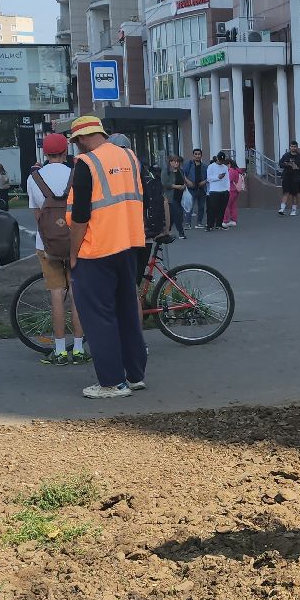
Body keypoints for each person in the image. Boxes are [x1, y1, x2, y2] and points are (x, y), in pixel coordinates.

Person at [65, 115, 148, 399]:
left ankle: (112, 383)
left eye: (76, 142)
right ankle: (134, 375)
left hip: (96, 250)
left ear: (81, 138)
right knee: (127, 313)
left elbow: (80, 217)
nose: (76, 148)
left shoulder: (86, 164)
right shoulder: (130, 157)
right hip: (129, 245)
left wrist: (72, 254)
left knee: (99, 318)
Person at [26, 132, 87, 366]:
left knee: (56, 295)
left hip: (47, 245)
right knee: (77, 295)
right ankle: (79, 350)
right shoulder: (76, 174)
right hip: (75, 245)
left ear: (45, 153)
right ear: (65, 152)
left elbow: (37, 216)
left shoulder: (34, 178)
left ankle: (60, 351)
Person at [112, 133, 167, 288]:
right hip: (148, 233)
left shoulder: (115, 170)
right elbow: (162, 200)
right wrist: (164, 227)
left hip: (127, 235)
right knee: (135, 279)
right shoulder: (142, 169)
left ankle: (135, 310)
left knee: (126, 283)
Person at [278, 141, 300, 215]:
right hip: (286, 176)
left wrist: (297, 168)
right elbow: (280, 164)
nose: (293, 148)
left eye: (294, 146)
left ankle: (293, 210)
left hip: (296, 178)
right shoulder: (286, 155)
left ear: (297, 147)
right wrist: (286, 164)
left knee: (294, 194)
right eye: (292, 146)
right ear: (290, 147)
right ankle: (282, 209)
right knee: (285, 192)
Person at [205, 152, 232, 230]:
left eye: (222, 161)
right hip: (214, 191)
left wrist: (228, 189)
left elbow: (227, 179)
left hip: (224, 190)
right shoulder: (211, 166)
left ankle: (219, 224)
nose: (221, 162)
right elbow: (209, 178)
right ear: (217, 158)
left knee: (222, 208)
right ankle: (210, 225)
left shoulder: (225, 167)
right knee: (212, 209)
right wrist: (218, 177)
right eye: (220, 160)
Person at [165, 154, 190, 239]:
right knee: (178, 214)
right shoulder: (166, 171)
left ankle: (166, 232)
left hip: (180, 196)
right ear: (170, 162)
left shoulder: (180, 171)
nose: (176, 163)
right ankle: (181, 233)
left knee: (172, 216)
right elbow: (165, 183)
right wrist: (177, 186)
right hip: (170, 197)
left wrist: (184, 185)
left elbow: (183, 180)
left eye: (178, 162)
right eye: (174, 161)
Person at [182, 148, 208, 229]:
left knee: (201, 207)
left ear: (201, 155)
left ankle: (199, 223)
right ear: (193, 155)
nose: (197, 156)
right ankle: (187, 223)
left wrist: (204, 181)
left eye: (199, 154)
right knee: (189, 206)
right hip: (191, 189)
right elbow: (182, 174)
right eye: (195, 154)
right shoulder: (188, 164)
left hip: (201, 189)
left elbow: (209, 176)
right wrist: (188, 181)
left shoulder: (205, 166)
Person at [225, 157, 244, 227]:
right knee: (233, 206)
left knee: (226, 205)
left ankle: (225, 220)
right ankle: (233, 220)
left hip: (230, 190)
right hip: (235, 190)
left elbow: (228, 180)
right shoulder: (237, 170)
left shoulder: (231, 170)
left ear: (229, 164)